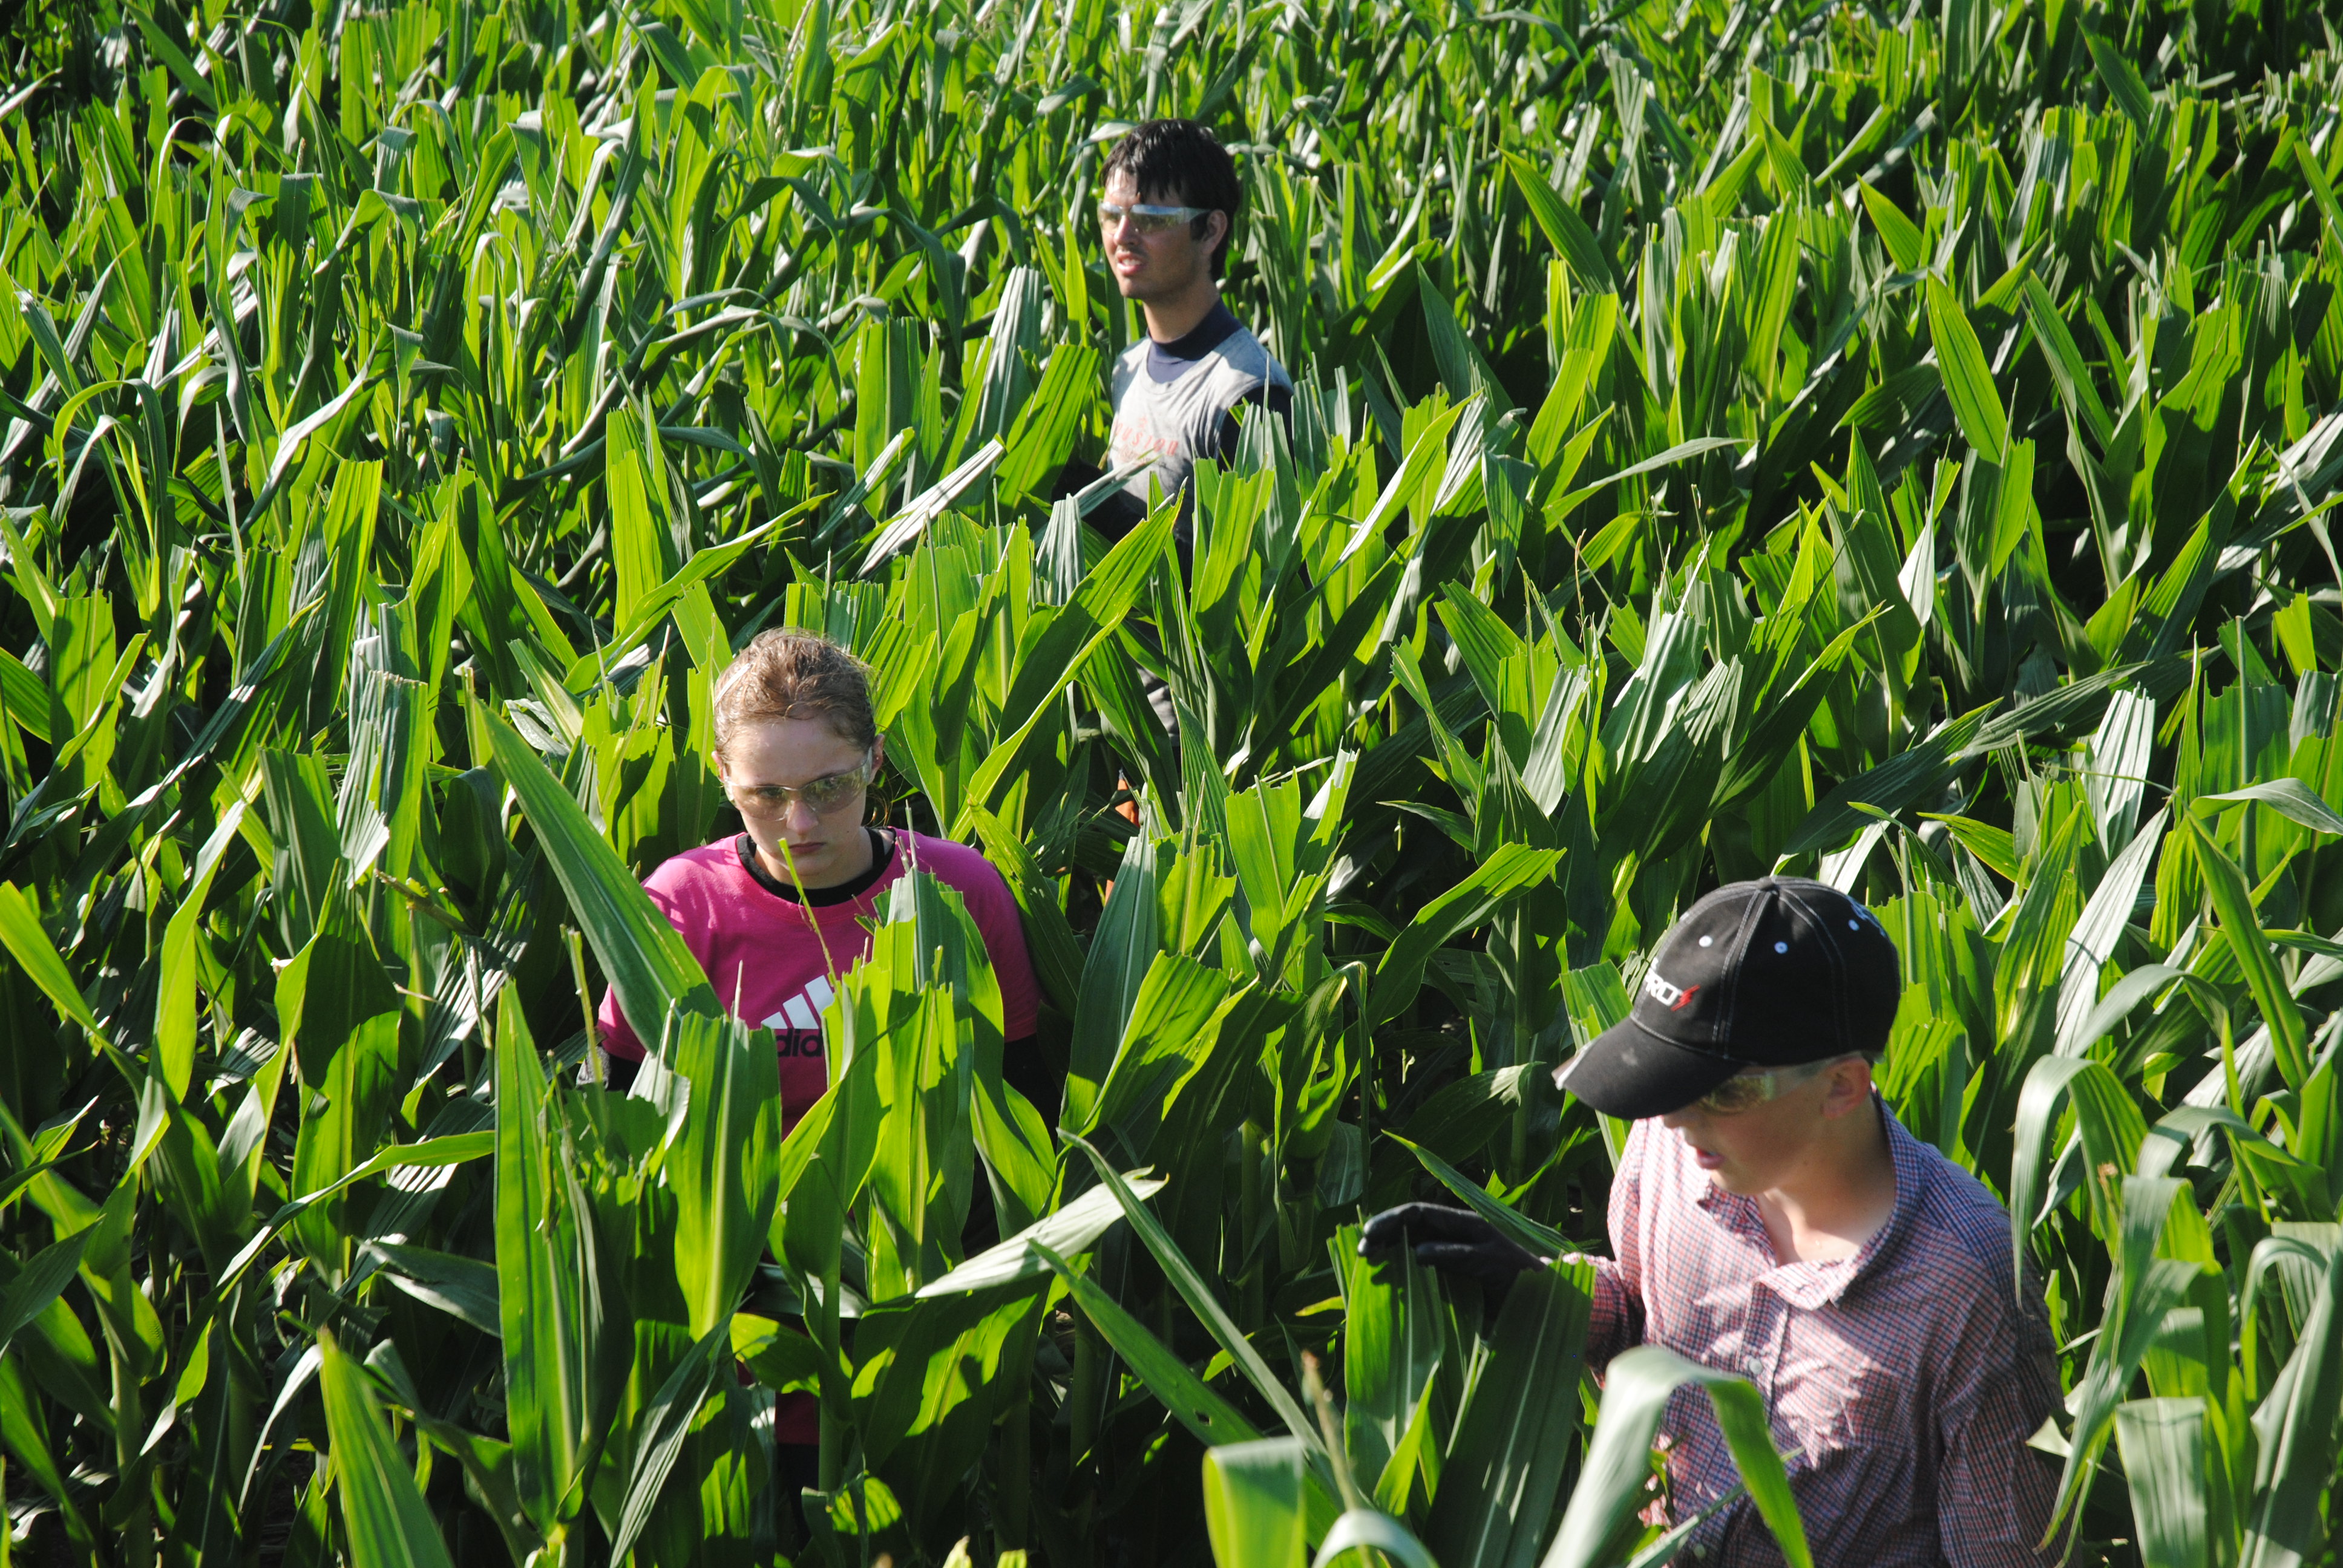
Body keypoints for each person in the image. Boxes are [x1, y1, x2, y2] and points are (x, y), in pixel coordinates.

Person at [1362, 877, 2062, 1568]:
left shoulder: (1967, 1285)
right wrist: (1536, 1295)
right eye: (1668, 1082)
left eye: (1722, 1091)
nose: (1669, 1117)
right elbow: (1648, 1322)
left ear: (1842, 1086)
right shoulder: (1678, 1143)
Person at [594, 630, 1049, 1441]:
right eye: (765, 793)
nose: (799, 821)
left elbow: (1020, 1119)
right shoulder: (683, 906)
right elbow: (623, 1130)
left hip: (920, 1333)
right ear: (724, 777)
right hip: (733, 1347)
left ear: (875, 761)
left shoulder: (957, 893)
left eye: (830, 786)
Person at [1059, 119, 1293, 551]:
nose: (1123, 237)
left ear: (1209, 231)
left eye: (1149, 220)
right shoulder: (1128, 365)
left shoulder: (1247, 395)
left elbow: (1253, 589)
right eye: (1112, 216)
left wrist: (1099, 507)